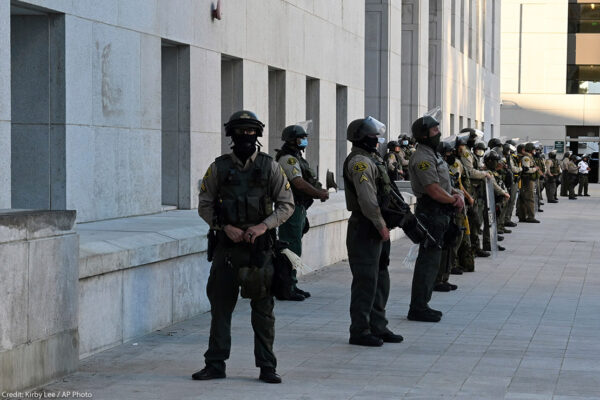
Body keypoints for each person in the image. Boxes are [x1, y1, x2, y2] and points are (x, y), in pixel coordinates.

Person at [195, 110, 294, 384]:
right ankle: (215, 363)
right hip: (227, 250)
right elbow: (204, 204)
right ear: (231, 135)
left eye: (251, 131)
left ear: (258, 134)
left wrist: (263, 226)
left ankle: (267, 367)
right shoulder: (218, 167)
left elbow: (286, 204)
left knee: (263, 312)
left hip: (259, 251)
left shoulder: (271, 166)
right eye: (241, 132)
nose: (246, 136)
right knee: (220, 309)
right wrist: (224, 227)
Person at [343, 116, 403, 346]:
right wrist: (380, 224)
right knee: (366, 280)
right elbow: (367, 198)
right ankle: (360, 329)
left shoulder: (373, 158)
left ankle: (378, 325)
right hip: (366, 226)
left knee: (380, 277)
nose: (377, 141)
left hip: (377, 226)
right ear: (361, 138)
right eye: (373, 137)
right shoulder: (359, 161)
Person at [408, 116, 464, 322]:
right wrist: (453, 200)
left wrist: (455, 194)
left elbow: (444, 185)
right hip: (431, 212)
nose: (438, 132)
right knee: (428, 261)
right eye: (434, 130)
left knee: (434, 260)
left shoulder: (433, 154)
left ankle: (423, 303)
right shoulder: (423, 157)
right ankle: (418, 307)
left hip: (441, 211)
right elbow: (433, 190)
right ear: (423, 135)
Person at [276, 124, 329, 301]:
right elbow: (298, 183)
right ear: (293, 140)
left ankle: (291, 284)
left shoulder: (297, 157)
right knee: (290, 248)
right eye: (301, 137)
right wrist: (319, 193)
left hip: (299, 207)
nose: (305, 140)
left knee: (294, 248)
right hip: (290, 207)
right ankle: (285, 287)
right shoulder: (288, 159)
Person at [457, 130, 491, 258]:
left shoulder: (468, 151)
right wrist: (484, 174)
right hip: (468, 190)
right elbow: (470, 172)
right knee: (474, 220)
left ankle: (474, 247)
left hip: (472, 189)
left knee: (475, 221)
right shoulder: (465, 152)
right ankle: (473, 248)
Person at [516, 143, 540, 223]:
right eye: (533, 149)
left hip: (526, 180)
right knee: (529, 198)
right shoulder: (526, 158)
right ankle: (530, 217)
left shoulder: (528, 157)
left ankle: (522, 216)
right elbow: (526, 169)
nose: (535, 151)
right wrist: (535, 169)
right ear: (531, 149)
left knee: (523, 198)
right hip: (527, 180)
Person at [503, 140, 521, 228]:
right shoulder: (508, 157)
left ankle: (507, 218)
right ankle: (506, 219)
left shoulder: (512, 156)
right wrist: (520, 169)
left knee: (511, 200)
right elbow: (512, 168)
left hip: (512, 179)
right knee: (510, 200)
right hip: (510, 180)